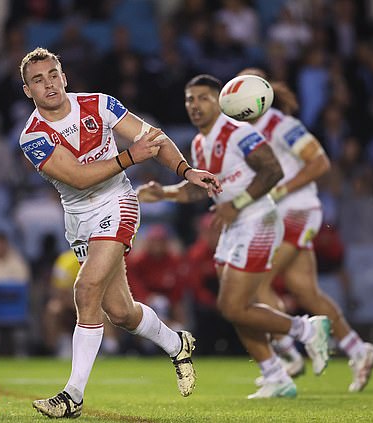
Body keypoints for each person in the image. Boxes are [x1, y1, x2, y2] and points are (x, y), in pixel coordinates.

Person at [18, 47, 221, 418]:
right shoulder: (32, 136)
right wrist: (131, 156)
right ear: (28, 90)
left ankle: (72, 396)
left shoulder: (100, 105)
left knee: (85, 289)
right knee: (120, 312)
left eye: (52, 74)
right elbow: (78, 179)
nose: (47, 83)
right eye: (37, 79)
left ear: (64, 77)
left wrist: (186, 171)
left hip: (118, 203)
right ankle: (178, 343)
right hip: (78, 218)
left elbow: (152, 139)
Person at [137, 74, 331, 399]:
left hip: (259, 221)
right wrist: (166, 193)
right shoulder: (200, 143)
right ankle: (276, 375)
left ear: (220, 100)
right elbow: (201, 191)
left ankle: (307, 329)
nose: (195, 105)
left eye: (203, 98)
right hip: (235, 224)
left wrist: (237, 204)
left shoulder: (238, 132)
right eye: (189, 99)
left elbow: (273, 171)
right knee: (236, 305)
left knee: (233, 306)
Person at [238, 68, 373, 392]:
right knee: (304, 291)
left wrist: (281, 189)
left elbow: (319, 163)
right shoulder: (241, 129)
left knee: (253, 282)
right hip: (276, 215)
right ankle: (359, 350)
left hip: (297, 210)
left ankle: (288, 354)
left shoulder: (281, 125)